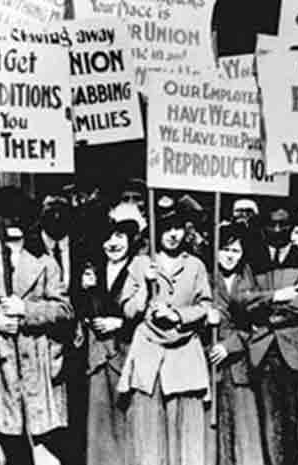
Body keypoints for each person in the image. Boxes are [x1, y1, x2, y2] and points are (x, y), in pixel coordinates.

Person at [0, 213, 73, 465]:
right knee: (7, 442)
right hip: (0, 369)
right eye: (5, 238)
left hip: (37, 368)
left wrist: (26, 310)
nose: (9, 246)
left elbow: (64, 311)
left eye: (16, 237)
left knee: (44, 441)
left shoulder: (45, 264)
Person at [119, 195, 215, 465]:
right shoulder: (140, 264)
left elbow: (205, 305)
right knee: (148, 432)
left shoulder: (195, 265)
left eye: (178, 228)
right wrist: (146, 288)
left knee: (186, 429)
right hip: (149, 354)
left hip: (184, 354)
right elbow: (128, 310)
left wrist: (177, 314)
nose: (173, 235)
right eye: (166, 228)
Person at [240, 205, 298, 465]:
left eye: (283, 224)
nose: (277, 230)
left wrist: (270, 315)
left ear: (292, 227)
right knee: (270, 422)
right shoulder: (253, 262)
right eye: (271, 225)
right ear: (263, 229)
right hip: (266, 351)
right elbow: (243, 301)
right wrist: (275, 297)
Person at [80, 203, 147, 465]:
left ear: (131, 240)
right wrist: (88, 291)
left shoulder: (140, 269)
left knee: (127, 423)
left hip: (128, 354)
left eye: (120, 236)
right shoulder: (93, 270)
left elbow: (146, 311)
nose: (113, 243)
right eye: (107, 237)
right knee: (100, 427)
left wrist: (120, 324)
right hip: (99, 358)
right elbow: (82, 312)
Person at [209, 223, 266, 465]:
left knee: (244, 430)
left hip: (240, 364)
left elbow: (257, 325)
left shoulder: (251, 281)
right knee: (216, 430)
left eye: (235, 250)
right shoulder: (208, 278)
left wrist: (229, 345)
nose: (230, 255)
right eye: (224, 249)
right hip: (211, 363)